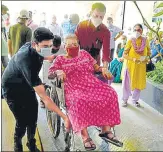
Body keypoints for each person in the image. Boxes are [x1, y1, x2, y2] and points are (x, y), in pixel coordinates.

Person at [2, 28, 70, 152]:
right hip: (12, 88)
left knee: (33, 117)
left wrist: (54, 59)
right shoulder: (26, 60)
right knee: (22, 121)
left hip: (27, 84)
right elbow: (45, 98)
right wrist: (64, 117)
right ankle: (17, 145)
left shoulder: (34, 46)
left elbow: (45, 54)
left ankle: (31, 143)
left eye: (50, 45)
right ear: (35, 44)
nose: (48, 49)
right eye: (45, 46)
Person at [48, 34, 122, 150]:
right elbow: (50, 73)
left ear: (79, 45)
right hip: (73, 87)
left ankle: (106, 130)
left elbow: (96, 67)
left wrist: (103, 69)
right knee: (78, 100)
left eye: (75, 44)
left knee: (110, 93)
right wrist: (58, 72)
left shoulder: (84, 54)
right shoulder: (60, 59)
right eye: (70, 45)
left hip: (91, 83)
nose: (73, 47)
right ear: (64, 46)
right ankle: (85, 136)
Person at [75, 2, 112, 83]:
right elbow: (75, 45)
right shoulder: (81, 26)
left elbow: (106, 52)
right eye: (96, 16)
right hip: (79, 63)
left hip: (95, 65)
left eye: (101, 17)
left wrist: (105, 68)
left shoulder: (105, 31)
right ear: (91, 13)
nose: (98, 18)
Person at [122, 24, 151, 107]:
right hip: (131, 66)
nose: (137, 32)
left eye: (139, 30)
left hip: (141, 66)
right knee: (127, 83)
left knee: (138, 83)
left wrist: (144, 58)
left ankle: (135, 100)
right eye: (135, 30)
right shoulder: (130, 40)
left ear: (142, 31)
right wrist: (133, 59)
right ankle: (125, 100)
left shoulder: (146, 40)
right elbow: (124, 55)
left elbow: (149, 53)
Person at [40, 35, 63, 108]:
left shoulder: (63, 47)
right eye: (54, 46)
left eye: (57, 47)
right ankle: (42, 100)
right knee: (45, 83)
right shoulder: (45, 47)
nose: (56, 48)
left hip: (58, 69)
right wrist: (49, 58)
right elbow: (40, 57)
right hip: (47, 66)